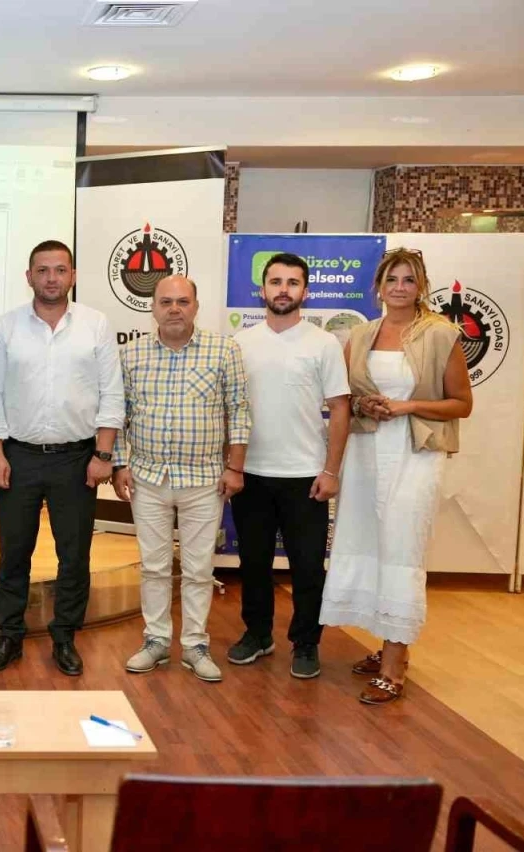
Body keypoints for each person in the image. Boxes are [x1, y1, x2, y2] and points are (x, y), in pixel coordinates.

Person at [320, 247, 472, 705]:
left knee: (402, 549)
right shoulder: (361, 334)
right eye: (392, 279)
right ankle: (385, 643)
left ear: (421, 285)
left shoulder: (441, 334)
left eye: (408, 279)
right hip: (366, 453)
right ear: (379, 287)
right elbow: (345, 397)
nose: (400, 287)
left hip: (415, 454)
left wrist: (407, 405)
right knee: (367, 544)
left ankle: (394, 662)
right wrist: (364, 403)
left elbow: (461, 404)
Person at [0, 240, 124, 677]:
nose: (51, 278)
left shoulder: (96, 325)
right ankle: (10, 635)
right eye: (42, 270)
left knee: (74, 555)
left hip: (76, 459)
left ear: (73, 276)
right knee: (13, 553)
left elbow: (111, 392)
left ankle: (65, 636)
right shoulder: (5, 327)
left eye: (60, 270)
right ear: (29, 276)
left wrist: (103, 454)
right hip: (18, 457)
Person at [113, 275, 251, 684]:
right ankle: (156, 640)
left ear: (196, 306)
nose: (174, 309)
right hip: (148, 477)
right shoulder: (131, 353)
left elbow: (239, 410)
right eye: (166, 301)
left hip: (205, 478)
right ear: (153, 307)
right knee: (154, 567)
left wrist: (235, 467)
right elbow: (118, 414)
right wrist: (120, 464)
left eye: (183, 301)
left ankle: (194, 645)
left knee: (198, 568)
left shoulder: (224, 349)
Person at [229, 252, 350, 679]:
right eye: (276, 281)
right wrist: (231, 465)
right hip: (251, 473)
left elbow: (340, 408)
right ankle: (257, 634)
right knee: (253, 564)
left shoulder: (324, 343)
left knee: (307, 567)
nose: (283, 289)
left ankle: (306, 643)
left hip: (306, 476)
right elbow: (228, 408)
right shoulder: (240, 343)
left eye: (292, 282)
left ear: (306, 291)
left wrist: (331, 471)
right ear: (261, 289)